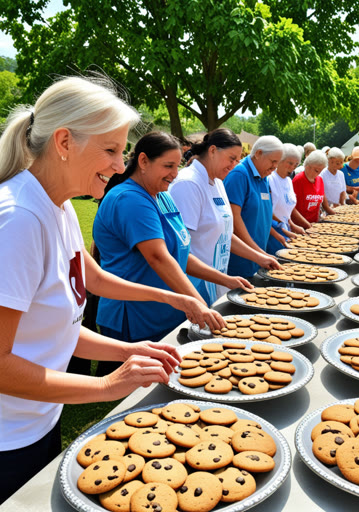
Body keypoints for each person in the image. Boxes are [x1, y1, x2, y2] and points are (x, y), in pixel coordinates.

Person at [0, 76, 223, 503]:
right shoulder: (20, 219)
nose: (121, 165)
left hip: (37, 421)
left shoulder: (58, 206)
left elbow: (71, 303)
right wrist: (107, 387)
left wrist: (129, 348)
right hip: (7, 439)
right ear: (64, 142)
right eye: (111, 150)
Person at [93, 131, 248, 352]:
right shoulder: (130, 199)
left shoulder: (162, 196)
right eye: (168, 166)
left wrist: (226, 280)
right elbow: (158, 258)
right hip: (136, 318)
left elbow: (180, 254)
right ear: (144, 161)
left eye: (177, 166)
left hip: (164, 313)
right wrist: (198, 303)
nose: (175, 174)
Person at [169, 129, 279, 303]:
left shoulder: (218, 182)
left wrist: (259, 257)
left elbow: (225, 234)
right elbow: (180, 250)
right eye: (231, 158)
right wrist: (226, 280)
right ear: (212, 151)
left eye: (237, 160)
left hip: (216, 281)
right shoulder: (188, 184)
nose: (234, 164)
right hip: (194, 286)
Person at [224, 135, 283, 278]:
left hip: (257, 258)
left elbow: (263, 214)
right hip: (240, 261)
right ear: (258, 154)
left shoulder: (264, 177)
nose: (275, 167)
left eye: (277, 162)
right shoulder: (239, 175)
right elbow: (234, 219)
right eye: (273, 161)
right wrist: (257, 252)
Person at [266, 143, 305, 254]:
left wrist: (292, 225)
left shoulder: (288, 181)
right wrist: (280, 231)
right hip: (271, 232)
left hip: (284, 231)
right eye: (290, 163)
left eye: (296, 164)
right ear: (280, 160)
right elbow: (265, 212)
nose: (293, 167)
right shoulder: (269, 179)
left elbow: (286, 208)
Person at [291, 150, 336, 228]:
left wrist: (335, 214)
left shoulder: (319, 180)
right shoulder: (298, 180)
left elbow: (323, 201)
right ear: (307, 166)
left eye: (321, 171)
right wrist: (307, 225)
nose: (318, 173)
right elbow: (292, 208)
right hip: (299, 226)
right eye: (316, 170)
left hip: (314, 224)